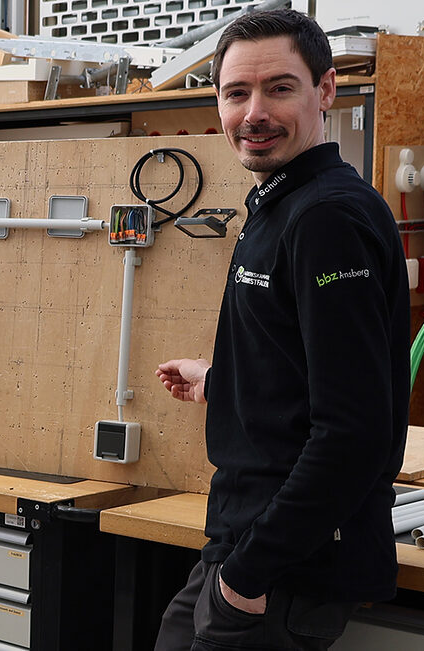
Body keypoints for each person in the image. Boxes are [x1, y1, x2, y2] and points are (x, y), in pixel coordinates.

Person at [152, 9, 409, 650]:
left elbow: (355, 432)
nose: (254, 112)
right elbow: (309, 370)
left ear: (325, 90)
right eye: (236, 93)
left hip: (284, 567)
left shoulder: (326, 219)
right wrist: (222, 381)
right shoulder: (282, 204)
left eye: (280, 88)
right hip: (245, 546)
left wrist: (247, 574)